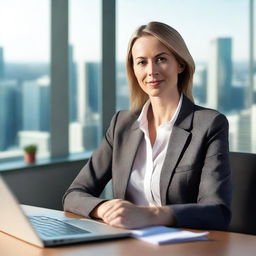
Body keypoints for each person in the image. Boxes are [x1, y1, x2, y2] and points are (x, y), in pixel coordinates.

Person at [63, 21, 231, 231]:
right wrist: (103, 208)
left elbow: (217, 212)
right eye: (141, 62)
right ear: (133, 70)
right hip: (125, 244)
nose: (151, 71)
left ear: (180, 64)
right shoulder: (121, 124)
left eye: (161, 59)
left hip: (182, 246)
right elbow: (74, 194)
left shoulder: (209, 124)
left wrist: (151, 215)